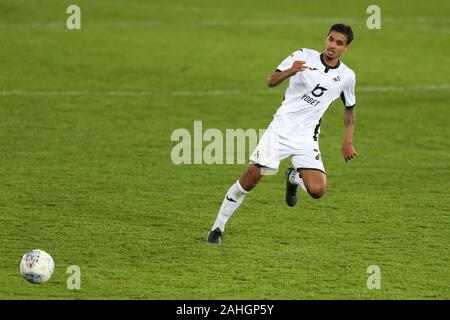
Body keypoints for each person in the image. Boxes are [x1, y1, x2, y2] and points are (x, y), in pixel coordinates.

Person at [208, 24, 358, 244]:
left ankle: (294, 177)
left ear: (346, 49)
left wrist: (347, 141)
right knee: (250, 179)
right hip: (280, 131)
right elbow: (271, 81)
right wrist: (291, 71)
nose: (332, 46)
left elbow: (350, 107)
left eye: (339, 43)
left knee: (318, 190)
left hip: (306, 138)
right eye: (330, 39)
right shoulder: (302, 55)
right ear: (325, 39)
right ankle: (217, 227)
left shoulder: (347, 76)